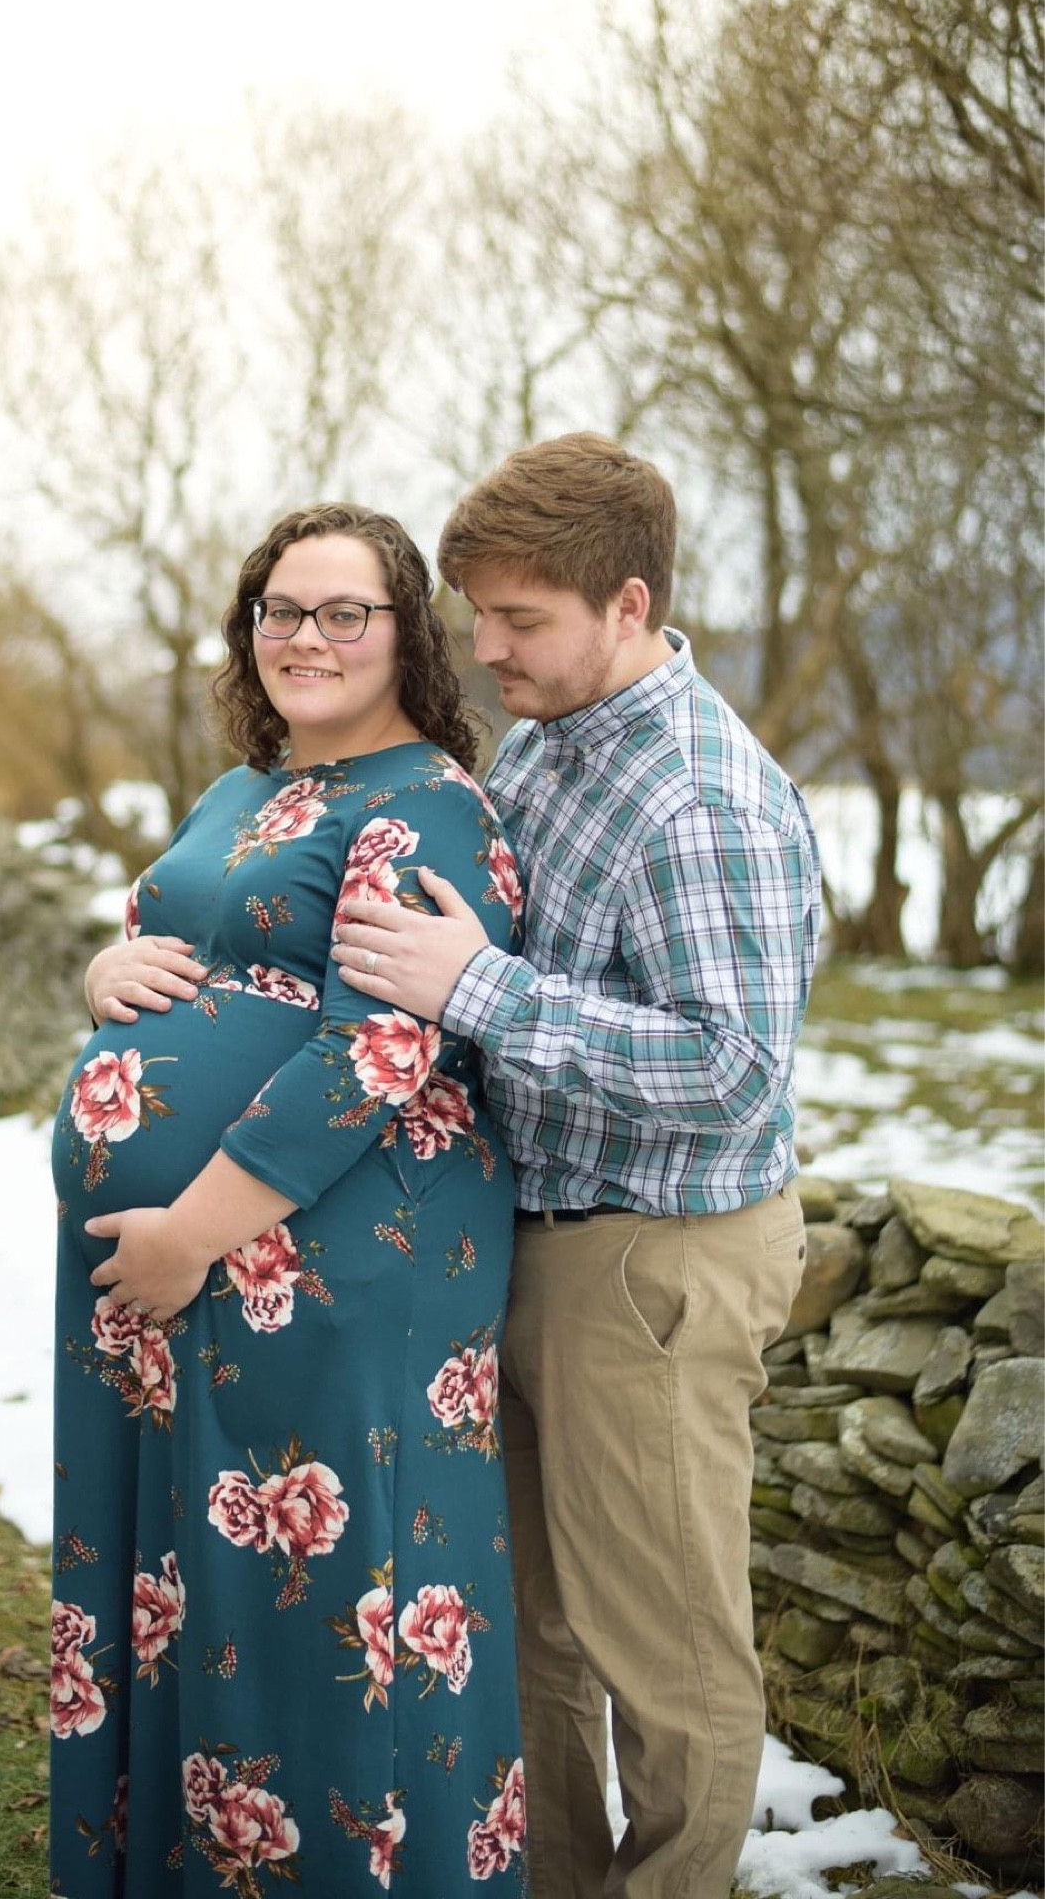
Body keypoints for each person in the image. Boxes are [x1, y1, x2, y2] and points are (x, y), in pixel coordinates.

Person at [326, 433, 823, 1899]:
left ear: (627, 603)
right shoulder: (550, 739)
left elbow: (731, 1069)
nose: (486, 652)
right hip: (532, 1240)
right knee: (534, 1636)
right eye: (476, 616)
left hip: (653, 1261)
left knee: (664, 1654)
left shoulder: (703, 799)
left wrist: (477, 992)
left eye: (519, 621)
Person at [52, 503, 529, 1898]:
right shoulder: (242, 790)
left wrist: (191, 1233)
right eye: (280, 609)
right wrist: (103, 977)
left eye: (344, 614)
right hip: (183, 1274)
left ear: (404, 638)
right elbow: (173, 941)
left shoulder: (426, 803)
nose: (305, 638)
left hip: (323, 1266)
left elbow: (376, 1047)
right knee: (189, 1594)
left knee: (313, 1613)